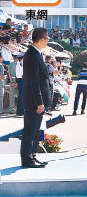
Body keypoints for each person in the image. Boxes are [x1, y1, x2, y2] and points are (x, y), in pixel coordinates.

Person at [20, 28, 51, 168]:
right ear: (41, 39)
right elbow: (34, 82)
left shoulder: (37, 53)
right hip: (34, 102)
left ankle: (32, 156)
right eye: (47, 38)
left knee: (35, 131)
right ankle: (27, 160)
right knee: (30, 131)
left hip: (37, 101)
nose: (48, 40)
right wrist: (39, 102)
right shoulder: (32, 55)